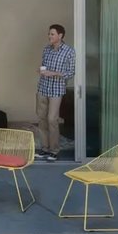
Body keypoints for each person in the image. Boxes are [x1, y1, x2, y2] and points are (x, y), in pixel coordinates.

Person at [35, 23, 75, 162]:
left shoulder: (69, 51)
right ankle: (44, 148)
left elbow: (70, 73)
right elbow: (44, 67)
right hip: (42, 88)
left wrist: (53, 73)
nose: (49, 36)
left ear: (60, 35)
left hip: (56, 90)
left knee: (52, 120)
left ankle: (54, 150)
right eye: (49, 34)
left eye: (52, 34)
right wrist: (41, 72)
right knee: (41, 119)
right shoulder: (46, 49)